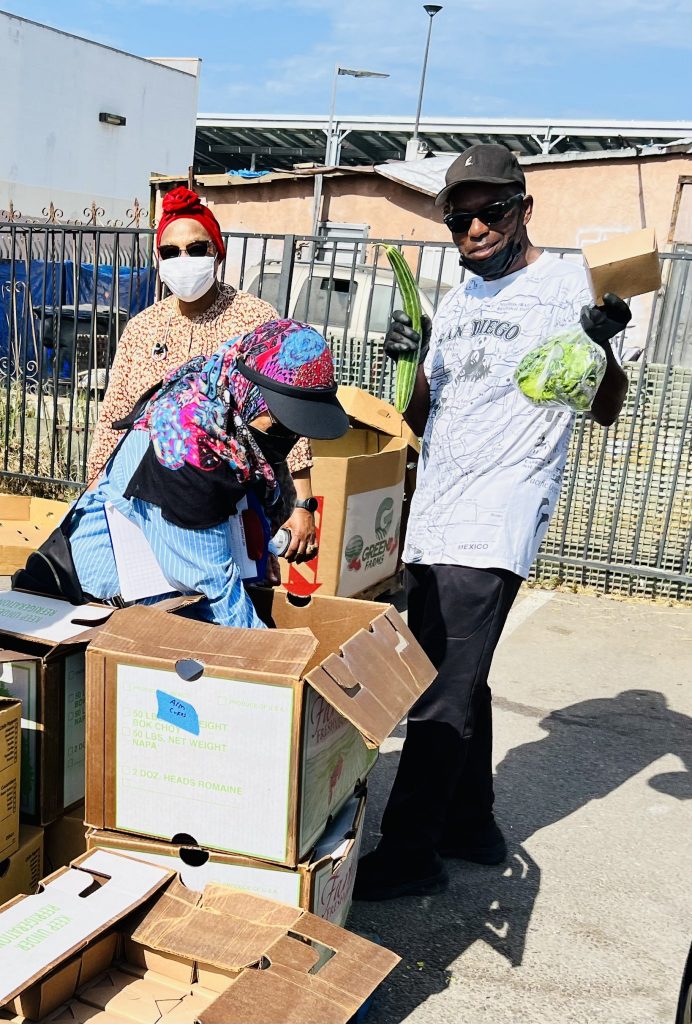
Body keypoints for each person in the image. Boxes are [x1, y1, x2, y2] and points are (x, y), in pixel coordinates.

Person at [354, 143, 631, 901]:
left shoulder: (571, 285)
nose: (474, 228)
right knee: (456, 676)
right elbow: (422, 415)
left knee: (438, 687)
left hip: (502, 509)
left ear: (524, 209)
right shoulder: (455, 301)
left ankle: (410, 853)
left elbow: (605, 408)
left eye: (491, 212)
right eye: (459, 217)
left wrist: (602, 345)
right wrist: (405, 365)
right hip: (437, 510)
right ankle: (471, 825)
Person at [52, 320, 347, 629]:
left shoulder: (225, 404)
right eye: (281, 422)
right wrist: (278, 662)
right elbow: (217, 590)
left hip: (172, 595)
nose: (289, 435)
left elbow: (239, 499)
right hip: (99, 605)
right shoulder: (181, 450)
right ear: (252, 393)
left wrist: (259, 552)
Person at [87, 186, 318, 564]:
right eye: (170, 252)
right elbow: (113, 417)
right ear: (158, 259)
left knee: (229, 608)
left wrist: (302, 504)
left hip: (236, 504)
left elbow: (289, 425)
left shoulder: (256, 321)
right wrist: (94, 492)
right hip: (149, 502)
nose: (184, 259)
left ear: (217, 253)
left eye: (197, 249)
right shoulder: (144, 328)